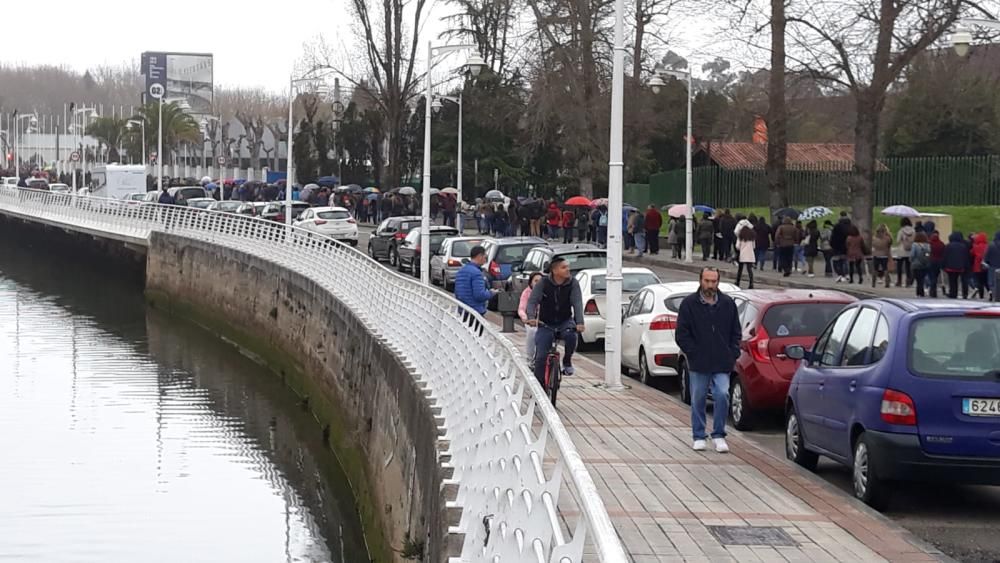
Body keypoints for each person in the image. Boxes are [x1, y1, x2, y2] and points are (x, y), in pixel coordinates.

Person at [675, 267, 741, 453]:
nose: (710, 285)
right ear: (700, 280)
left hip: (722, 360)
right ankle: (699, 435)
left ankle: (719, 434)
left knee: (722, 394)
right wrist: (692, 352)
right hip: (699, 361)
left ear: (718, 282)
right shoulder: (689, 304)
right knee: (698, 397)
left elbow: (736, 331)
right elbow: (681, 333)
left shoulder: (728, 304)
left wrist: (732, 352)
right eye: (707, 281)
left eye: (714, 281)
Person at [525, 256, 585, 383]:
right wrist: (531, 318)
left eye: (568, 267)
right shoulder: (543, 283)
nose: (568, 270)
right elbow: (532, 302)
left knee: (571, 336)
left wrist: (579, 322)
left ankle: (567, 361)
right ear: (554, 270)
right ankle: (539, 390)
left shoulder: (573, 283)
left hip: (565, 321)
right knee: (541, 357)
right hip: (545, 323)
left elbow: (577, 303)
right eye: (564, 267)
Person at [455, 245, 498, 319]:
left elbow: (457, 292)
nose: (485, 259)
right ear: (480, 256)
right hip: (475, 311)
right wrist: (491, 293)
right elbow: (479, 295)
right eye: (485, 257)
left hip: (463, 310)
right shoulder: (477, 273)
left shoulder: (461, 271)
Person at [518, 272, 545, 363]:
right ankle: (530, 358)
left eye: (540, 281)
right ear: (531, 283)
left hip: (544, 320)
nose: (538, 283)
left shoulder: (548, 291)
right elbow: (521, 308)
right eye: (536, 281)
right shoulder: (526, 293)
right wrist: (525, 318)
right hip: (531, 320)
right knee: (532, 332)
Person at [942, 231, 970, 299]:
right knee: (962, 280)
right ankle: (964, 294)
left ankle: (953, 293)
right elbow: (966, 257)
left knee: (952, 281)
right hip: (960, 267)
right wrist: (966, 266)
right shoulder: (963, 246)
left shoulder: (948, 246)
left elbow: (945, 256)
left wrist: (943, 265)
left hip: (950, 267)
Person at [830, 212, 851, 282]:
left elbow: (833, 237)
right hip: (846, 246)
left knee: (836, 261)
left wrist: (832, 244)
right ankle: (847, 274)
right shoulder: (850, 226)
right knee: (845, 261)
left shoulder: (837, 226)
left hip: (837, 246)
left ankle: (840, 274)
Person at [894, 218, 915, 287]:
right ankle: (908, 281)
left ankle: (899, 281)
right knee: (908, 267)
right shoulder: (913, 231)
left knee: (899, 267)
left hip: (901, 250)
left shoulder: (901, 231)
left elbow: (897, 240)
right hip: (909, 251)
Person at [871, 224, 893, 288]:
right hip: (885, 254)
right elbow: (889, 244)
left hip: (876, 254)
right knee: (885, 269)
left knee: (875, 269)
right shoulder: (888, 238)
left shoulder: (874, 238)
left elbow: (873, 245)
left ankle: (873, 283)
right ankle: (887, 283)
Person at [735, 223, 756, 288]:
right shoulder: (752, 237)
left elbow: (737, 246)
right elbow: (754, 246)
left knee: (740, 269)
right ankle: (751, 283)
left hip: (743, 254)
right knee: (749, 270)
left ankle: (737, 282)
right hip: (750, 255)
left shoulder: (740, 237)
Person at [910, 232, 931, 297]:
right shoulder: (927, 245)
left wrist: (912, 261)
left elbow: (912, 255)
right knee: (922, 279)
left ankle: (919, 293)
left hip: (916, 264)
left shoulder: (915, 245)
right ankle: (923, 291)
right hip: (925, 264)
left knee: (918, 280)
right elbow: (929, 254)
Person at [928, 231, 945, 298]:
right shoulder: (941, 244)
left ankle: (932, 291)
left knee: (932, 277)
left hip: (931, 262)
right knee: (935, 276)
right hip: (939, 262)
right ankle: (933, 291)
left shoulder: (930, 244)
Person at [985, 231, 1000, 300]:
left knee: (992, 282)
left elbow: (986, 257)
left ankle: (993, 294)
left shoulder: (991, 245)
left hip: (992, 266)